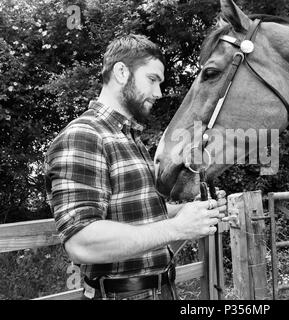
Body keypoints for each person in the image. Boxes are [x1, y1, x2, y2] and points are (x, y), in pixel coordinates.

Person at [44, 34, 227, 300]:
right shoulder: (84, 135)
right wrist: (177, 228)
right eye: (152, 79)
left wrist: (191, 213)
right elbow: (82, 242)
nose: (158, 93)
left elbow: (141, 216)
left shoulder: (130, 139)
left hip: (163, 290)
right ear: (121, 72)